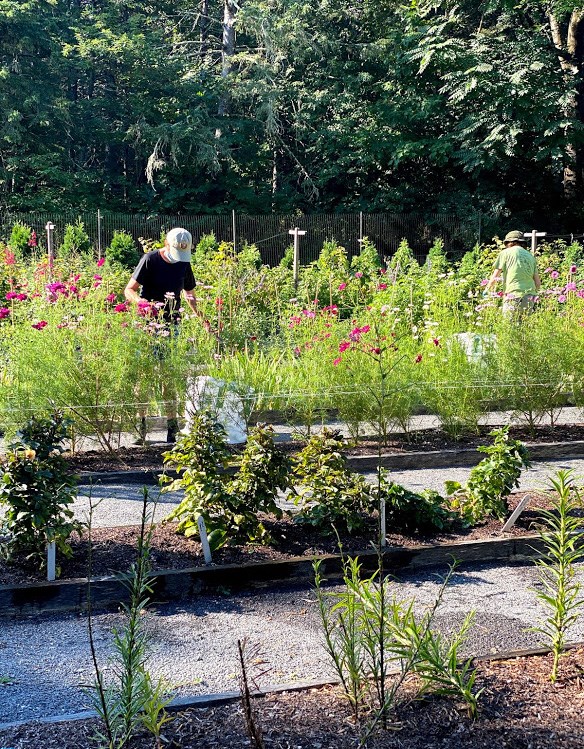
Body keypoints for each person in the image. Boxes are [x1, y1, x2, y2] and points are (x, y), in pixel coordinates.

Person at [125, 227, 199, 443]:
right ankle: (141, 428)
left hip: (172, 326)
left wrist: (203, 319)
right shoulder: (150, 260)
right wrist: (142, 303)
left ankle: (172, 429)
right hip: (148, 325)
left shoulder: (184, 262)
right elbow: (129, 289)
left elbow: (190, 294)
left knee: (169, 377)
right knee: (144, 376)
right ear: (167, 245)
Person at [485, 230, 541, 314]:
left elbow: (495, 277)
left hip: (512, 294)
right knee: (525, 325)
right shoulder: (530, 256)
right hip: (529, 296)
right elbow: (537, 283)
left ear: (508, 242)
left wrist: (487, 290)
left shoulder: (505, 253)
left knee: (509, 325)